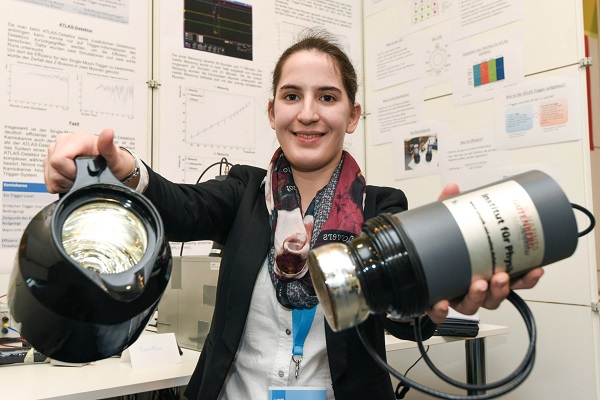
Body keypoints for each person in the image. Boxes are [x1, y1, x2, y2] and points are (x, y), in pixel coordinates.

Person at [44, 30, 543, 400]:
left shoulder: (382, 207)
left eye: (327, 97)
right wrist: (124, 170)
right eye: (291, 96)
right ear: (272, 112)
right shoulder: (243, 191)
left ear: (352, 115)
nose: (307, 113)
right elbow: (182, 208)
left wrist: (428, 304)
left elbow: (401, 316)